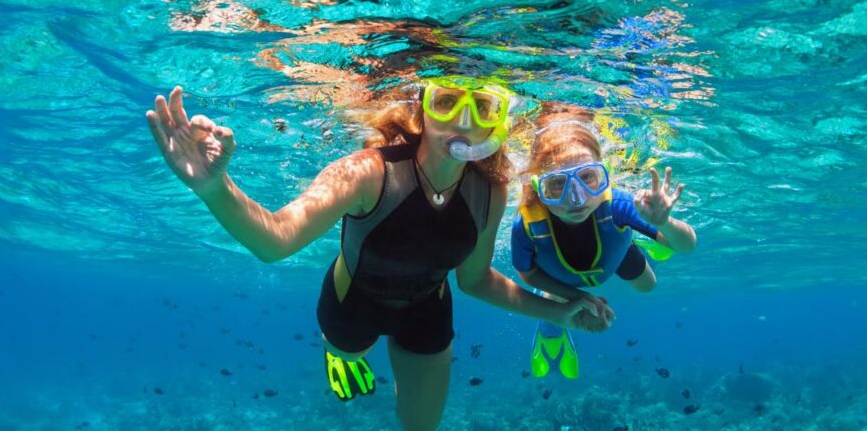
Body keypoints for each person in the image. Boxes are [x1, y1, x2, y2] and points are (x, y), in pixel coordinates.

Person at [145, 78, 607, 431]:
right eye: (447, 101)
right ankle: (340, 355)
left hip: (428, 311)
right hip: (352, 305)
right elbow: (276, 239)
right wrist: (213, 187)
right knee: (347, 349)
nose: (463, 120)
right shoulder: (367, 173)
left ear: (496, 120)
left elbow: (475, 280)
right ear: (422, 110)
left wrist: (560, 313)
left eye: (481, 106)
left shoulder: (492, 190)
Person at [510, 108, 697, 379]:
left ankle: (644, 237)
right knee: (557, 301)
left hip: (615, 252)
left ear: (605, 175)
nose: (576, 199)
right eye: (557, 184)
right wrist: (579, 297)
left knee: (648, 286)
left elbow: (687, 245)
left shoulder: (619, 204)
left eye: (588, 178)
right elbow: (526, 274)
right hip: (560, 277)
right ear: (539, 188)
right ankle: (551, 329)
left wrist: (664, 223)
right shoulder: (527, 226)